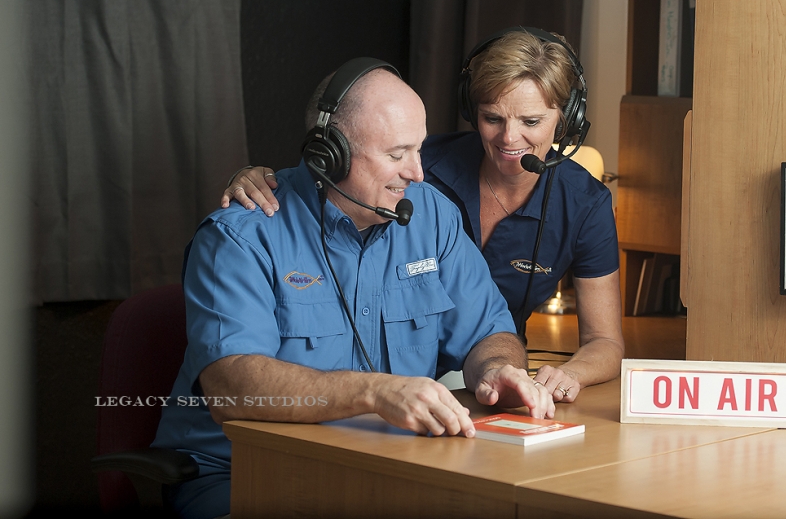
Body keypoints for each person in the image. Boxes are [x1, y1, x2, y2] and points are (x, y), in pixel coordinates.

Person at [155, 60, 553, 519]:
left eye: (419, 150)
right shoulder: (241, 237)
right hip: (245, 475)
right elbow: (233, 387)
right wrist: (374, 392)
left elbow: (489, 330)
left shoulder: (432, 216)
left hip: (386, 470)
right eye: (396, 153)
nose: (417, 173)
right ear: (330, 155)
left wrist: (498, 369)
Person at [225, 29, 624, 405]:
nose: (509, 138)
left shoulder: (577, 202)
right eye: (492, 118)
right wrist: (267, 179)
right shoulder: (418, 168)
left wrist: (512, 369)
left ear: (566, 120)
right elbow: (331, 172)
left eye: (531, 121)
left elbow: (496, 332)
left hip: (462, 379)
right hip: (389, 396)